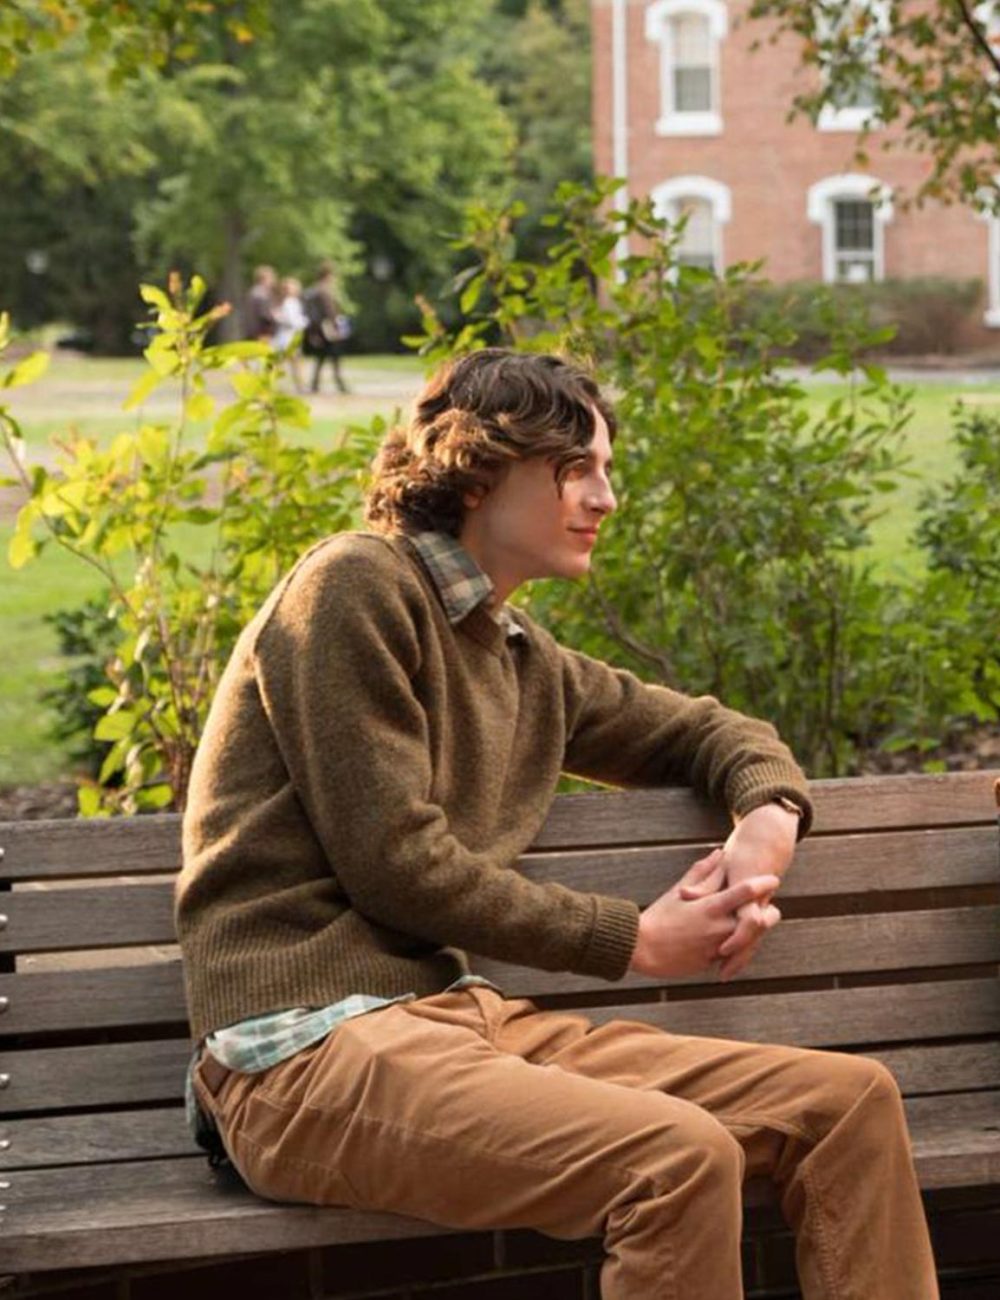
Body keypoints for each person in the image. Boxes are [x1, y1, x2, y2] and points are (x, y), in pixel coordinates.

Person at [177, 350, 939, 1299]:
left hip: (455, 1024)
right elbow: (396, 865)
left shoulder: (520, 655)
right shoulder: (353, 588)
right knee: (677, 1157)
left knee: (848, 1105)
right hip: (299, 1057)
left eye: (606, 471)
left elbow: (713, 731)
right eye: (578, 469)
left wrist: (769, 818)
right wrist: (637, 941)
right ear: (480, 467)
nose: (606, 498)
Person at [303, 259, 350, 394]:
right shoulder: (324, 291)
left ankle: (315, 384)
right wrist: (337, 325)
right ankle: (339, 384)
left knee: (322, 356)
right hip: (328, 328)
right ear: (328, 275)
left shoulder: (314, 290)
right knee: (334, 355)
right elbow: (329, 311)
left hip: (319, 328)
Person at [272, 276, 309, 392]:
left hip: (290, 336)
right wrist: (304, 322)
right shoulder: (289, 302)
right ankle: (300, 386)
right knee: (291, 363)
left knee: (292, 363)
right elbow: (292, 321)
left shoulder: (291, 302)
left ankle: (300, 386)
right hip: (288, 337)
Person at [243, 265, 278, 343]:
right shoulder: (261, 294)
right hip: (261, 333)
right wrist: (276, 317)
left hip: (252, 332)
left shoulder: (253, 292)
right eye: (272, 278)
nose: (273, 281)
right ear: (264, 279)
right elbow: (265, 315)